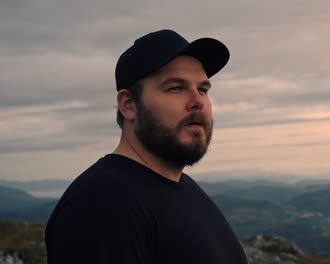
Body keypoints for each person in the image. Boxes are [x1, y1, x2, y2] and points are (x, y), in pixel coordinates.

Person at [45, 29, 248, 264]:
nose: (198, 102)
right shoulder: (101, 205)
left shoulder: (182, 188)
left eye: (202, 89)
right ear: (129, 104)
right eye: (175, 88)